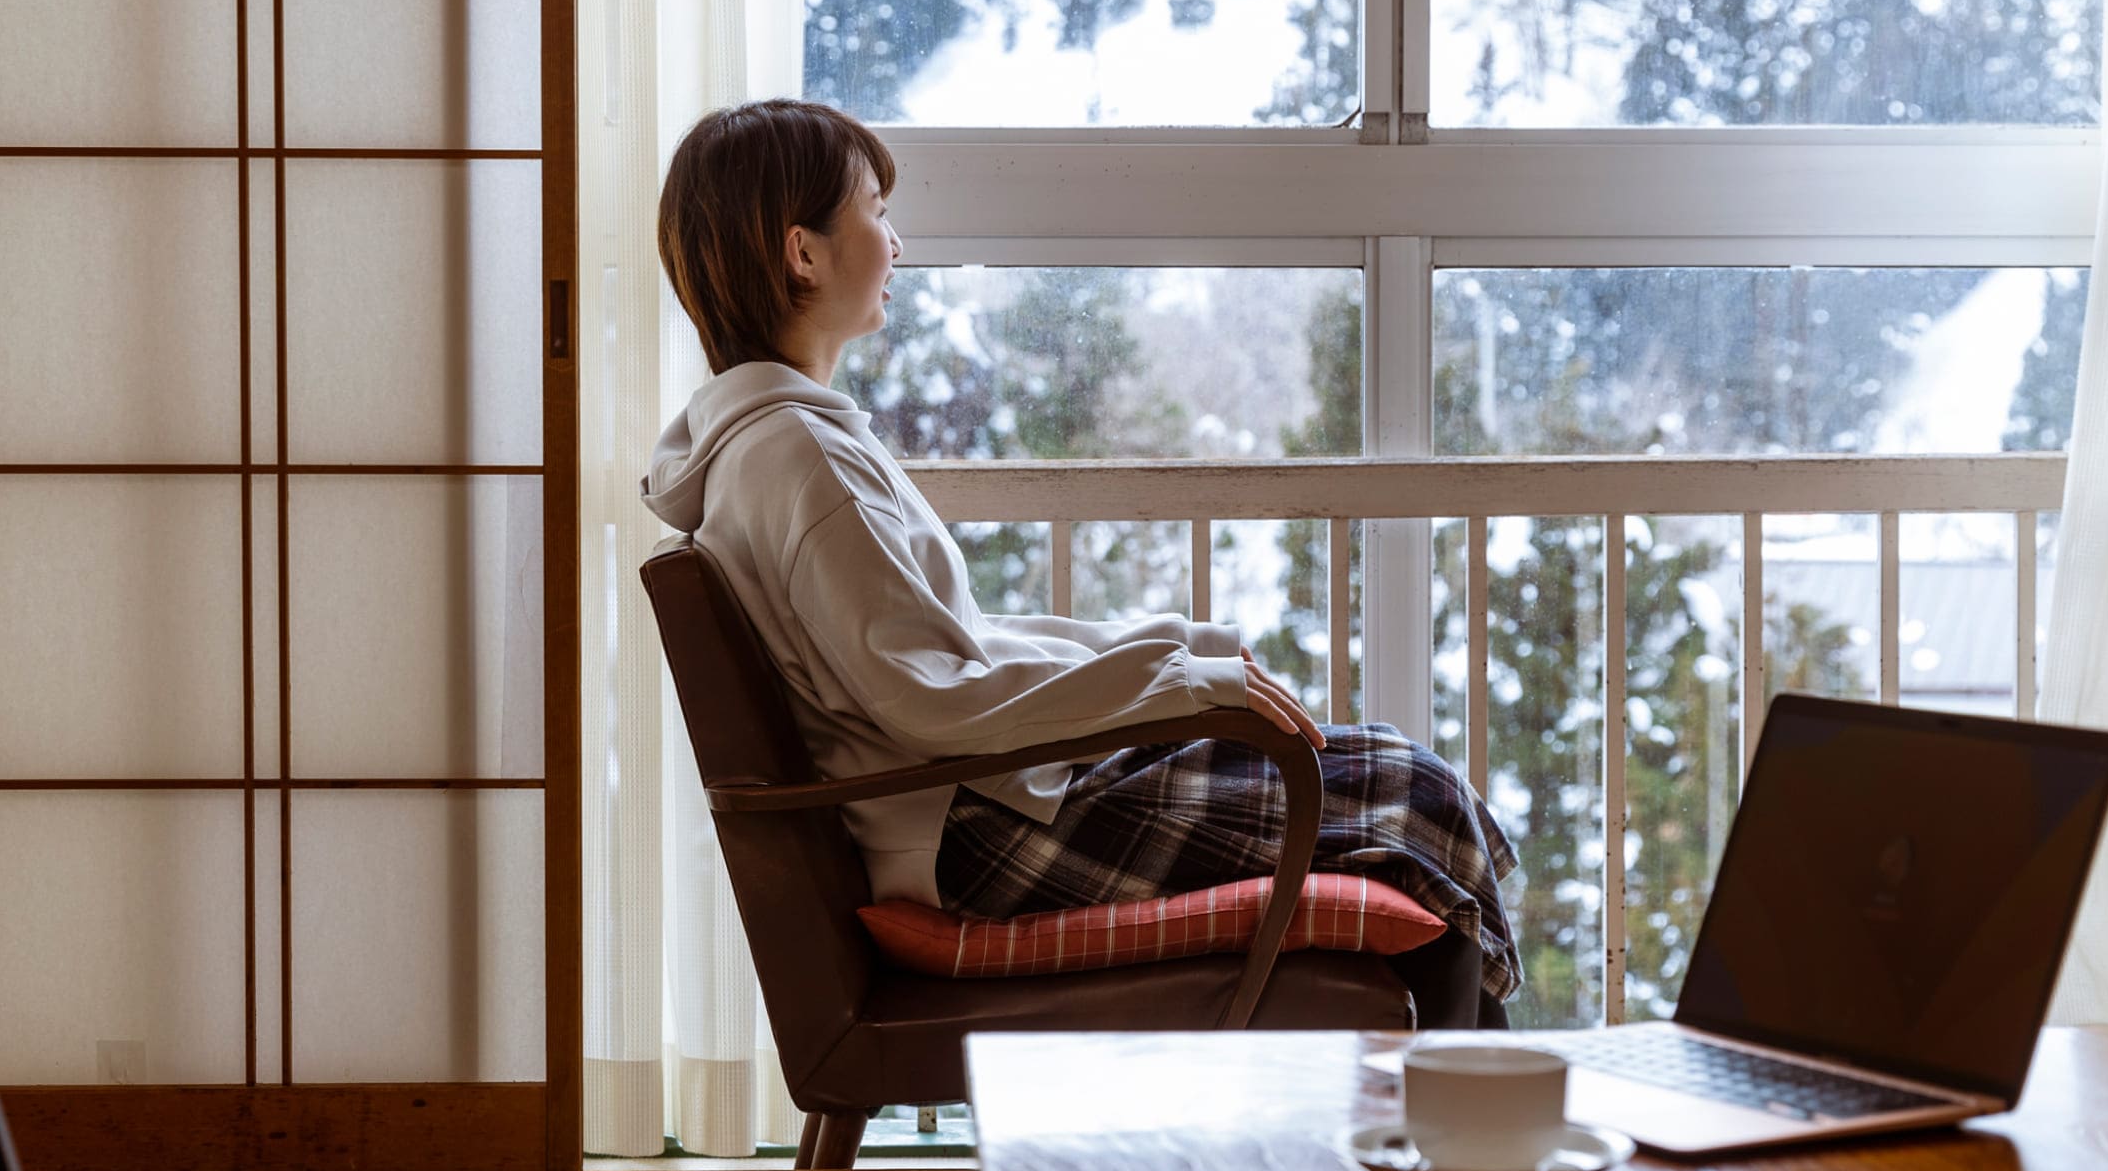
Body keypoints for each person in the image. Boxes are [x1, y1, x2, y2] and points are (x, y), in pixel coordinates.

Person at [641, 98, 1518, 1028]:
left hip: (977, 804)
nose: (896, 244)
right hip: (983, 836)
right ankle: (1481, 1133)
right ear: (804, 253)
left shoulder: (773, 445)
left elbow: (951, 653)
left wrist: (1172, 656)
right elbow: (933, 697)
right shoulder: (799, 458)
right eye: (873, 209)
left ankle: (1464, 1124)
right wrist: (1173, 678)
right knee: (1411, 790)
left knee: (1396, 781)